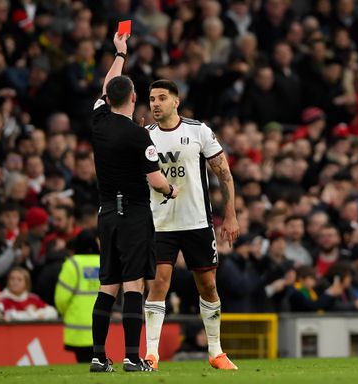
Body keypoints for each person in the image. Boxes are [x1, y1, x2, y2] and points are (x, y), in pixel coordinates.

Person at [89, 33, 177, 373]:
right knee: (133, 285)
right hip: (134, 214)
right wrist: (171, 191)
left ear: (108, 98)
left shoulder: (98, 122)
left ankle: (98, 356)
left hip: (106, 212)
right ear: (135, 97)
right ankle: (130, 355)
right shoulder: (140, 135)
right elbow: (156, 181)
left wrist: (120, 53)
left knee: (107, 284)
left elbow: (107, 86)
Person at [144, 79, 240, 370]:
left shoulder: (198, 130)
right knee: (159, 282)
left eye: (162, 98)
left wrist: (231, 215)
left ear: (176, 101)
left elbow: (224, 173)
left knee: (208, 286)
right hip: (159, 223)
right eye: (151, 99)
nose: (155, 104)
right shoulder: (144, 136)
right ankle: (151, 354)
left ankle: (216, 351)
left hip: (197, 221)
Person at [55, 230, 101, 363]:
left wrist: (64, 312)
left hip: (77, 330)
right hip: (101, 328)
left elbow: (61, 299)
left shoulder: (72, 264)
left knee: (83, 367)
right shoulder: (103, 262)